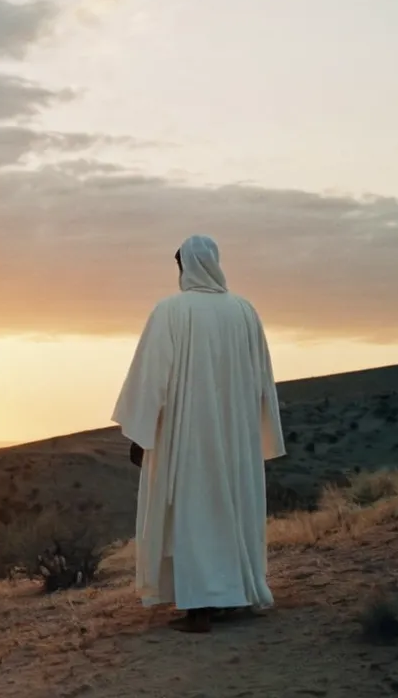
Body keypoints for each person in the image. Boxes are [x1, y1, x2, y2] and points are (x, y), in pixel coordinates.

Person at [112, 234, 286, 633]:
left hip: (187, 434)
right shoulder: (245, 311)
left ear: (186, 266)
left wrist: (141, 433)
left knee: (193, 510)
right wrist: (258, 431)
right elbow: (264, 379)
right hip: (236, 434)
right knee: (232, 509)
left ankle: (201, 607)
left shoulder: (171, 311)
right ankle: (233, 593)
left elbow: (150, 377)